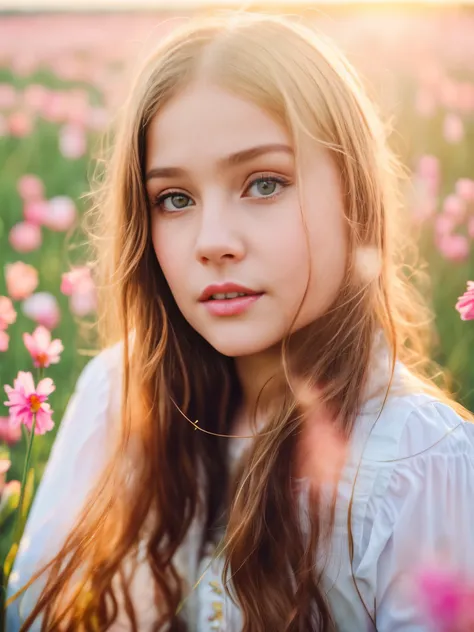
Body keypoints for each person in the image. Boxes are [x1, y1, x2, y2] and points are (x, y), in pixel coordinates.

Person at [6, 11, 474, 632]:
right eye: (175, 199)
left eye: (264, 183)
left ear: (352, 196)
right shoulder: (117, 400)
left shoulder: (414, 460)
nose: (214, 241)